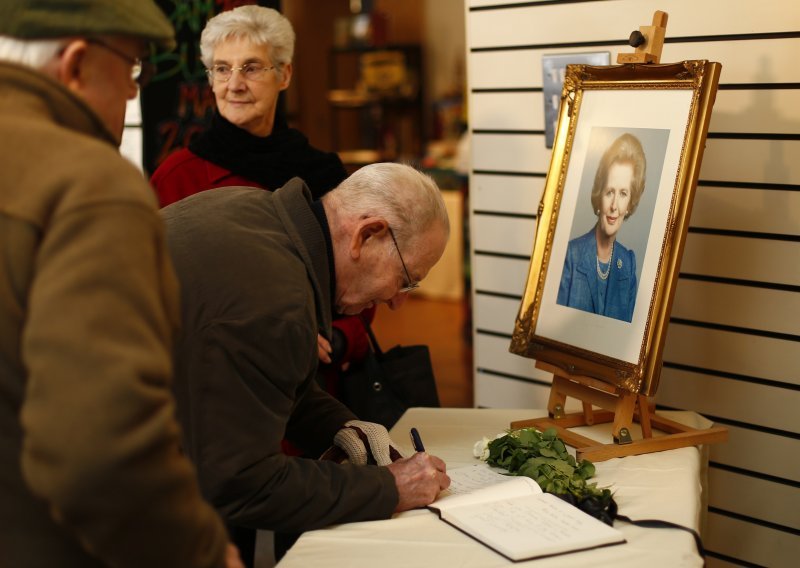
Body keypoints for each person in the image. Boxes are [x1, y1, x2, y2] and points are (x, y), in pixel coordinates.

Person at [0, 1, 242, 567]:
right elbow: (100, 451)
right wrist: (203, 555)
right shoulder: (88, 185)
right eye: (131, 68)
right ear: (78, 63)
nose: (134, 93)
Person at [161, 163, 452, 562]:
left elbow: (257, 381)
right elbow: (242, 484)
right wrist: (389, 488)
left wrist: (342, 426)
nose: (397, 300)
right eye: (405, 279)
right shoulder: (276, 301)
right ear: (367, 235)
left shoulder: (257, 214)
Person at [150, 3, 371, 399]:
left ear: (284, 75)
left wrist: (338, 339)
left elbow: (365, 278)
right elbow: (157, 293)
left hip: (316, 393)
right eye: (221, 68)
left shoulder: (325, 175)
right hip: (219, 390)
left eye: (251, 68)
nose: (234, 84)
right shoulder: (177, 177)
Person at [556, 132, 646, 323]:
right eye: (609, 192)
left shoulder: (628, 264)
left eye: (623, 193)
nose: (614, 206)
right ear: (599, 196)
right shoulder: (571, 256)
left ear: (630, 203)